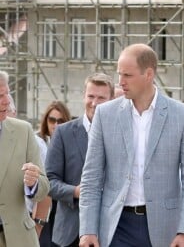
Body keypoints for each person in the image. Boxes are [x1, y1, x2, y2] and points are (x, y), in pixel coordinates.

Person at [79, 43, 184, 247]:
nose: (120, 82)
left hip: (164, 228)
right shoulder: (105, 114)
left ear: (149, 74)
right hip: (115, 227)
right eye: (119, 74)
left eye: (127, 75)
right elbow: (91, 177)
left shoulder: (182, 115)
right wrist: (87, 230)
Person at [46, 73, 114, 247]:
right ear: (83, 95)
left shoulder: (120, 134)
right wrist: (75, 191)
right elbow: (48, 182)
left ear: (112, 99)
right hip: (70, 233)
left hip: (109, 232)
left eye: (101, 98)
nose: (95, 102)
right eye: (91, 96)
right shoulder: (63, 133)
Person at [0, 70, 50, 247]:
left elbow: (44, 188)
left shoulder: (23, 131)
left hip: (19, 240)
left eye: (7, 93)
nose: (7, 101)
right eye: (0, 95)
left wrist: (33, 183)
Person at [36, 101, 72, 247]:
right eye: (52, 120)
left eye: (61, 120)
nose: (56, 124)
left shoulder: (70, 142)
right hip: (41, 204)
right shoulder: (37, 142)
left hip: (62, 202)